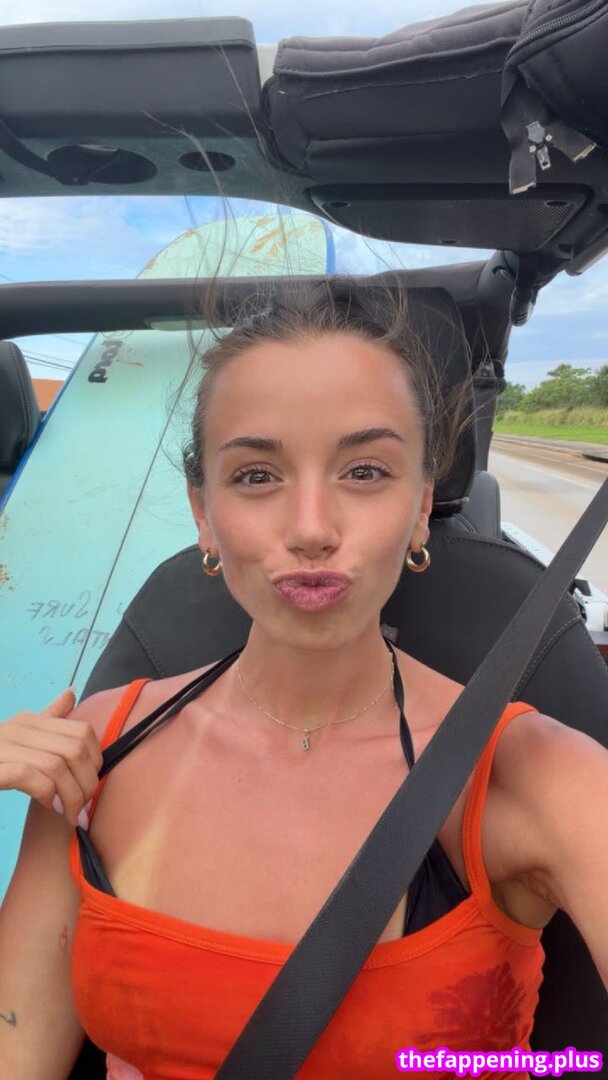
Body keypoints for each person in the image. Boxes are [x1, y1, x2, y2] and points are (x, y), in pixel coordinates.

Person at [0, 279, 606, 1080]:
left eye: (366, 471)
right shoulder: (92, 756)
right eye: (257, 477)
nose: (312, 528)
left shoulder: (537, 779)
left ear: (421, 504)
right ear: (203, 513)